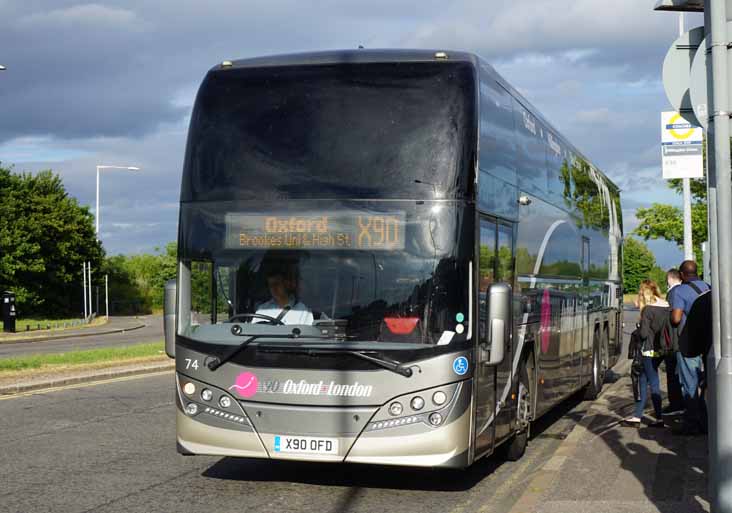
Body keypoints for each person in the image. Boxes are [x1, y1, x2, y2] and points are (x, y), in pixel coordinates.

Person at [670, 260, 709, 435]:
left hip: (689, 343)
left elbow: (676, 319)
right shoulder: (708, 287)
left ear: (682, 274)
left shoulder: (680, 291)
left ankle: (692, 424)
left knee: (690, 384)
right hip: (708, 342)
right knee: (706, 383)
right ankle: (707, 420)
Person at [624, 280, 668, 427]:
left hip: (648, 351)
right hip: (661, 350)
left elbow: (643, 334)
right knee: (643, 380)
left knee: (653, 382)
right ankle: (637, 415)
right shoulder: (666, 305)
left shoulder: (648, 310)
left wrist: (639, 326)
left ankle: (659, 418)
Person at [663, 269, 684, 415]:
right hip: (683, 339)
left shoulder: (673, 293)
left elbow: (671, 319)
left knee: (673, 374)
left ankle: (675, 405)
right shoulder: (683, 290)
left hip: (674, 341)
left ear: (670, 279)